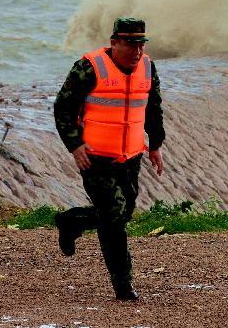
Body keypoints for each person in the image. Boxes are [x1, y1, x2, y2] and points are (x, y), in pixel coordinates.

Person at [53, 18, 165, 301]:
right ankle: (123, 284)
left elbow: (153, 107)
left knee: (122, 213)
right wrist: (75, 145)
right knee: (114, 217)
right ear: (114, 42)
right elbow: (63, 107)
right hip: (94, 157)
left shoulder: (148, 68)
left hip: (130, 156)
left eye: (140, 44)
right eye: (130, 43)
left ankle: (72, 222)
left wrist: (156, 145)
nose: (136, 50)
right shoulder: (89, 67)